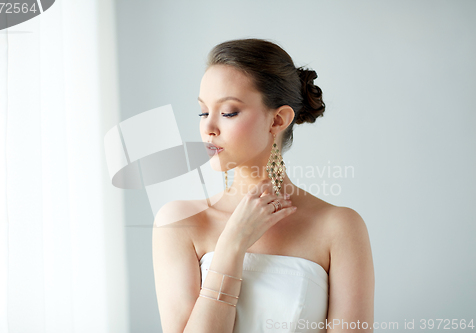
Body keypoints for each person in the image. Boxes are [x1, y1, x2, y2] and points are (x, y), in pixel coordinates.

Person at [152, 38, 374, 333]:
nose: (208, 127)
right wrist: (232, 244)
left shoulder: (340, 227)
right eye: (203, 112)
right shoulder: (179, 221)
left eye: (228, 112)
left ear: (278, 120)